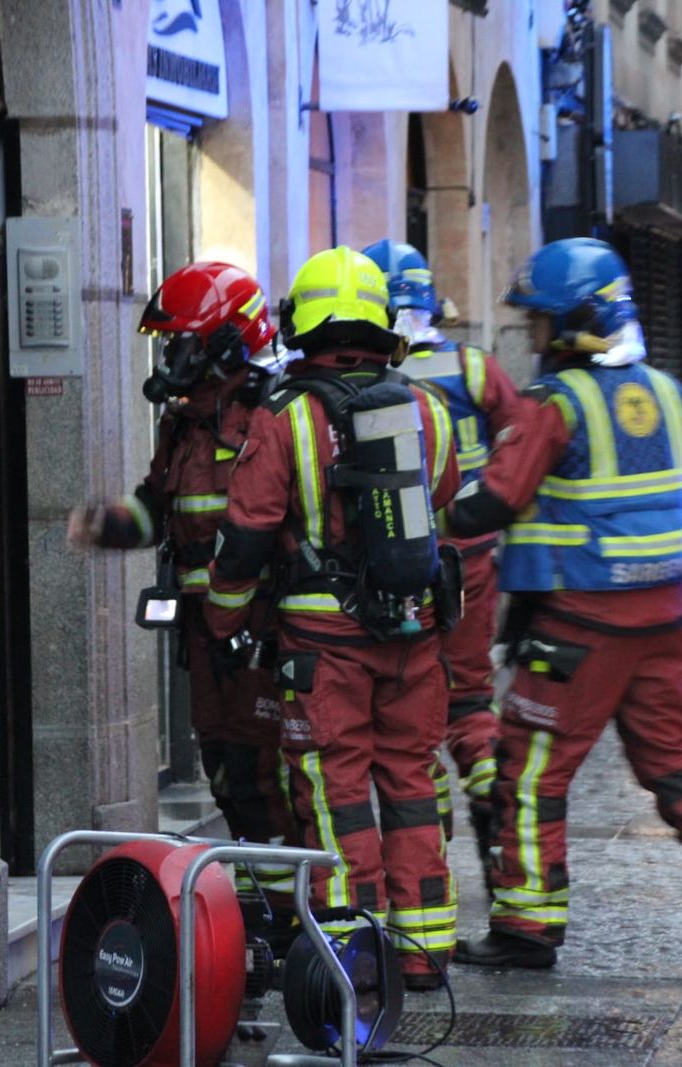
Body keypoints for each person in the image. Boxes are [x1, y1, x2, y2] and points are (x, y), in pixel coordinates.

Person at [444, 238, 682, 970]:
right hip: (662, 616)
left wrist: (421, 521)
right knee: (674, 758)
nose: (532, 336)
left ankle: (525, 928)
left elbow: (495, 501)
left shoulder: (553, 403)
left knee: (530, 771)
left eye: (539, 322)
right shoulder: (668, 392)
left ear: (572, 322)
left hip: (577, 624)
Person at [205, 246, 462, 990]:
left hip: (323, 649)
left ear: (304, 327)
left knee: (333, 789)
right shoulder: (429, 408)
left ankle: (355, 953)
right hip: (415, 634)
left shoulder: (283, 417)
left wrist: (223, 626)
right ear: (382, 326)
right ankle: (424, 947)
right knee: (412, 781)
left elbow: (247, 534)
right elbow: (443, 493)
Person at [69, 261, 298, 905]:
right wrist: (107, 523)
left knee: (266, 774)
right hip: (208, 636)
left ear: (224, 345)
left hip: (263, 636)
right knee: (225, 770)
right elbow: (155, 507)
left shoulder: (271, 419)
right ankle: (266, 899)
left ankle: (293, 907)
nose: (173, 358)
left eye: (183, 343)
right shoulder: (184, 426)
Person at [362, 238, 522, 883]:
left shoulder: (364, 378)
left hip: (397, 566)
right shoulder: (476, 369)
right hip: (471, 561)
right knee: (470, 696)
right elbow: (520, 443)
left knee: (407, 710)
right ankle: (488, 788)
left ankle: (427, 850)